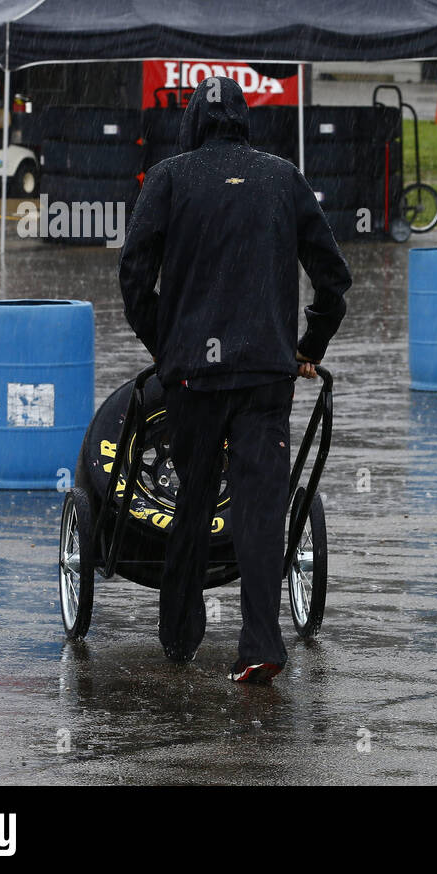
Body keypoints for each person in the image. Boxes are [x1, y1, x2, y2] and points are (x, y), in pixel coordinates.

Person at [119, 76, 352, 684]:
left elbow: (134, 274)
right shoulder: (282, 177)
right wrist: (308, 346)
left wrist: (165, 346)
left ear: (193, 124)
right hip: (265, 374)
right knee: (259, 510)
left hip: (193, 376)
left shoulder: (169, 178)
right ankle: (260, 644)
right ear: (245, 122)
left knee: (192, 500)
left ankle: (178, 634)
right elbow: (333, 280)